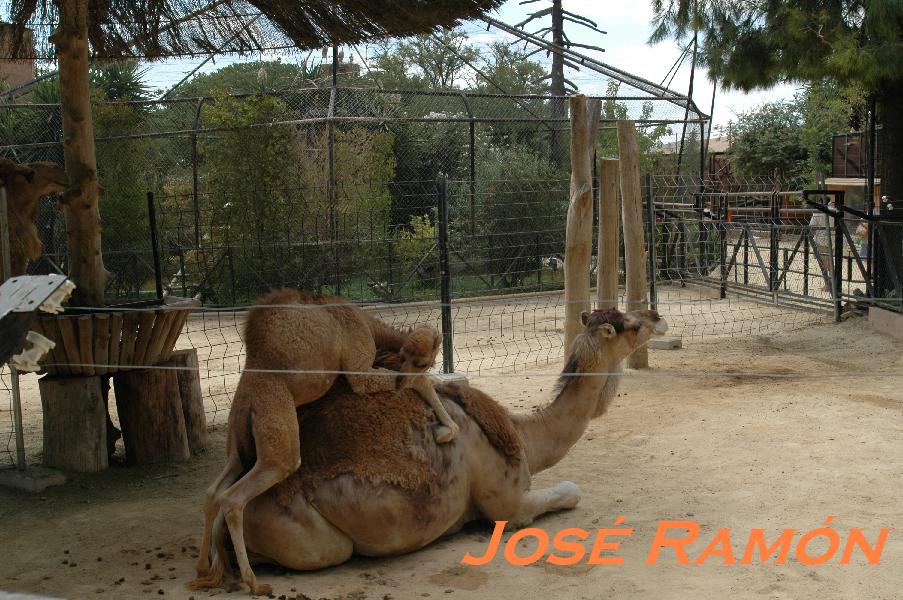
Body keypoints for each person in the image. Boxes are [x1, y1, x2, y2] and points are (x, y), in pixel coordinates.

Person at [809, 198, 835, 292]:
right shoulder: (834, 210)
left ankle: (828, 285)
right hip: (832, 239)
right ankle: (832, 283)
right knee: (829, 261)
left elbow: (812, 226)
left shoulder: (818, 211)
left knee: (824, 264)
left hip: (821, 240)